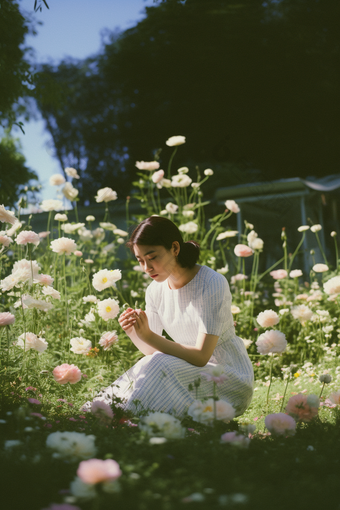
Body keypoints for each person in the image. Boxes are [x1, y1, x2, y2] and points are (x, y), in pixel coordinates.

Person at [87, 216, 253, 417]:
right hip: (186, 371)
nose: (146, 268)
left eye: (152, 257)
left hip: (226, 378)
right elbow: (152, 351)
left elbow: (201, 356)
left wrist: (148, 336)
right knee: (151, 362)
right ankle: (97, 412)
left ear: (175, 248)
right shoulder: (154, 290)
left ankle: (120, 418)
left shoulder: (211, 283)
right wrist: (134, 332)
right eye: (140, 260)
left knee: (159, 362)